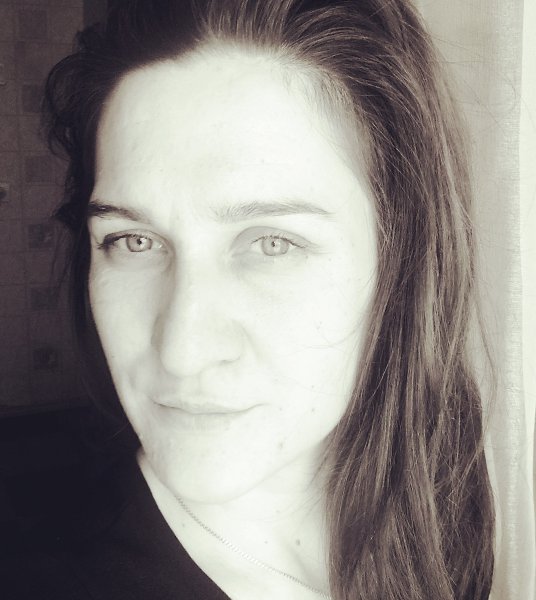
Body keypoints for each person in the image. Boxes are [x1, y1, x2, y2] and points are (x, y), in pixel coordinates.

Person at [3, 1, 495, 599]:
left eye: (272, 243)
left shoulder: (445, 508)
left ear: (403, 260)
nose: (181, 350)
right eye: (134, 241)